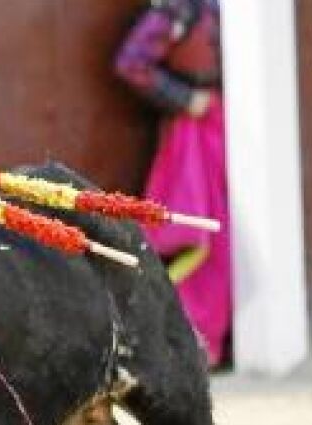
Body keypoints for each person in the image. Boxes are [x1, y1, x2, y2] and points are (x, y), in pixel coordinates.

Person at [114, 0, 229, 366]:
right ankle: (189, 343)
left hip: (224, 123)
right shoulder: (182, 6)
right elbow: (132, 61)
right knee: (203, 233)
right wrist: (184, 97)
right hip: (195, 130)